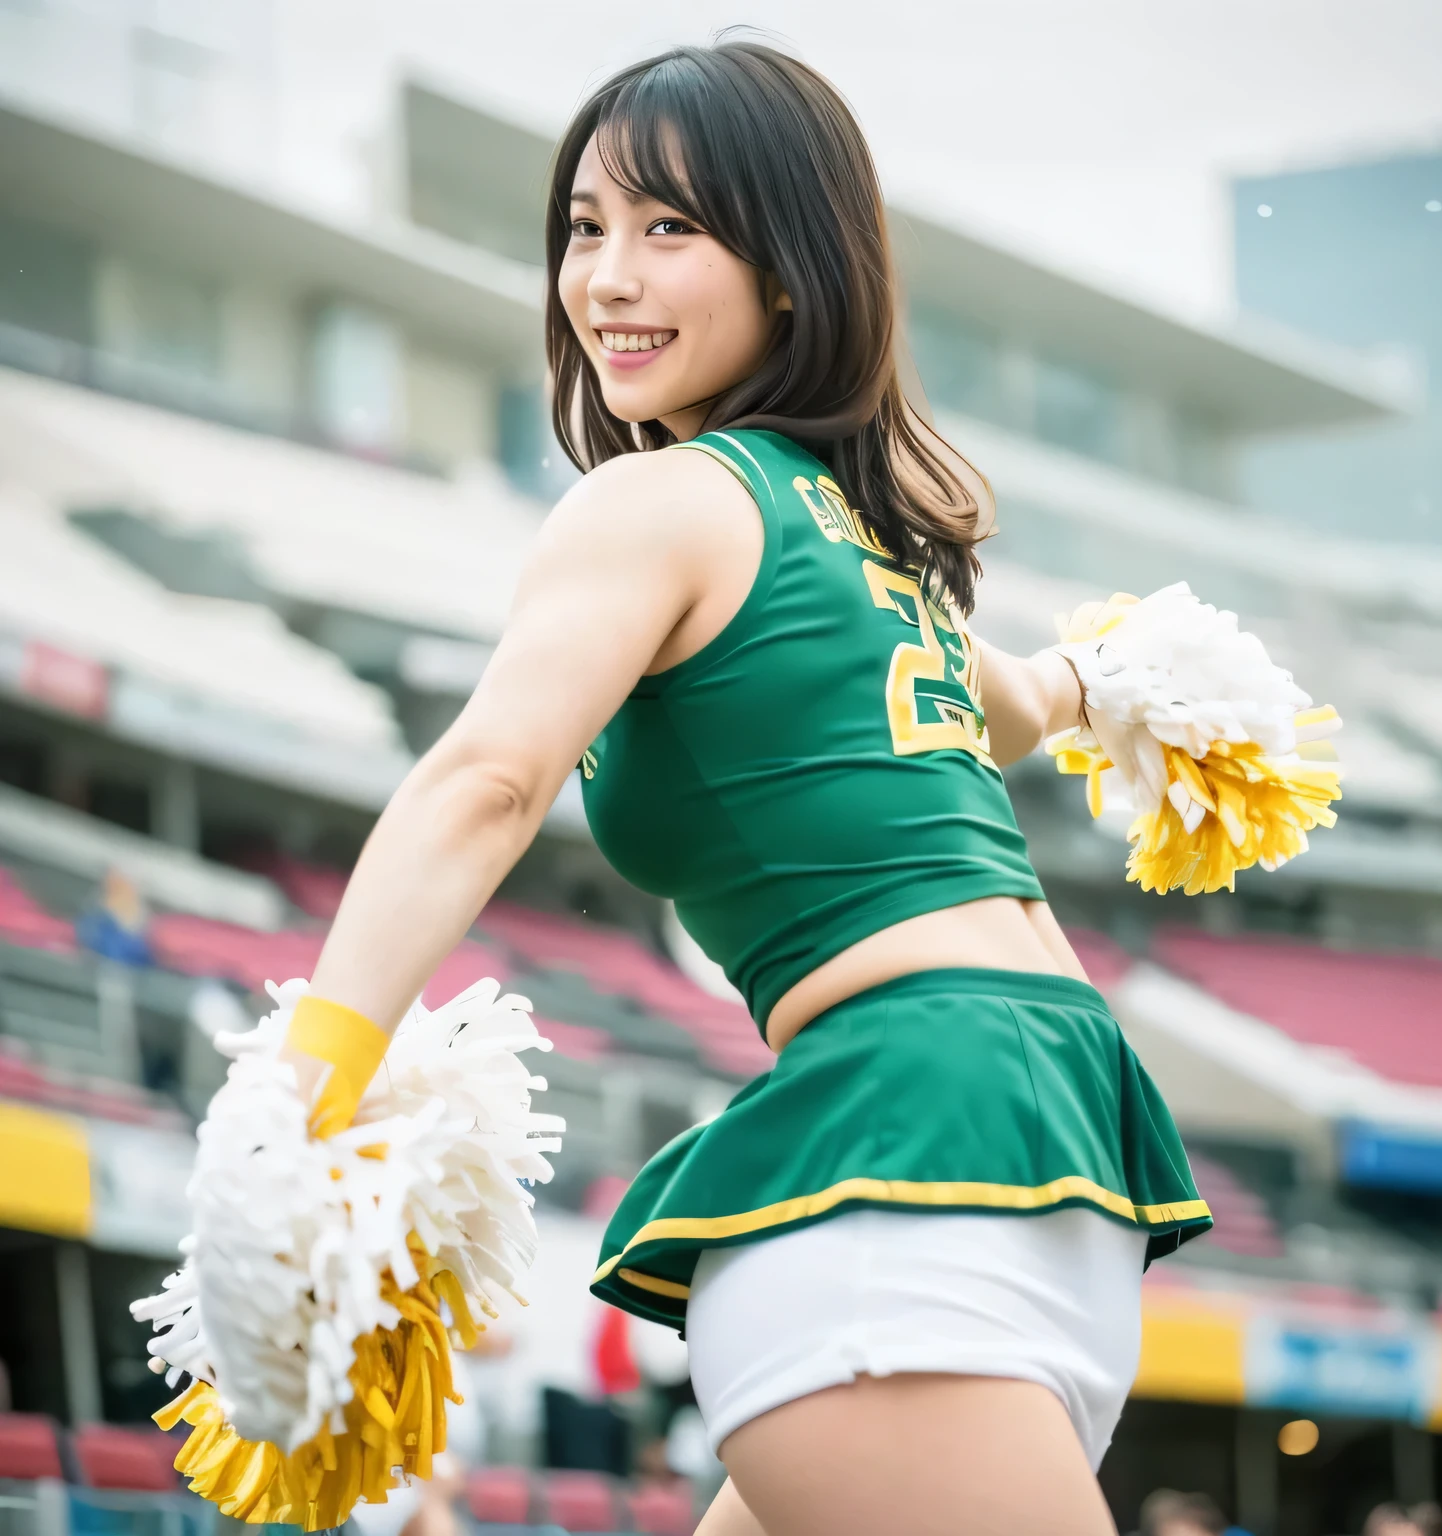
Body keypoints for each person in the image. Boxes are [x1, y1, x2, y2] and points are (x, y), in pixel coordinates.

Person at [281, 37, 1211, 1536]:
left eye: (671, 228)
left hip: (977, 1172)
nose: (608, 278)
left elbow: (1024, 703)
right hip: (919, 1185)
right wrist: (306, 1088)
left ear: (791, 267)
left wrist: (1115, 686)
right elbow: (487, 779)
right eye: (586, 227)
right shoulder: (779, 527)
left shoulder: (791, 523)